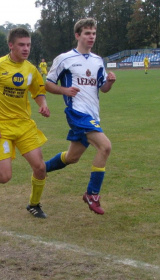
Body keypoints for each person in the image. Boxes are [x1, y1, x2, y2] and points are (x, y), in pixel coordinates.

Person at [0, 27, 51, 219]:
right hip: (2, 128)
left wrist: (43, 104)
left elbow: (38, 91)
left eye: (28, 45)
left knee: (40, 168)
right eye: (21, 45)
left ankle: (34, 204)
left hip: (24, 126)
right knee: (4, 177)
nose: (26, 49)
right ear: (11, 45)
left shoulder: (31, 70)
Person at [43, 18, 117, 215]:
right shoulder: (64, 59)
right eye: (87, 33)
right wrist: (64, 90)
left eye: (93, 33)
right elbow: (47, 84)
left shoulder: (97, 60)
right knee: (105, 146)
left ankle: (41, 168)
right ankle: (92, 195)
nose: (91, 37)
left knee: (72, 157)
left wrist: (110, 82)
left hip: (93, 114)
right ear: (78, 35)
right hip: (77, 113)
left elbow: (103, 88)